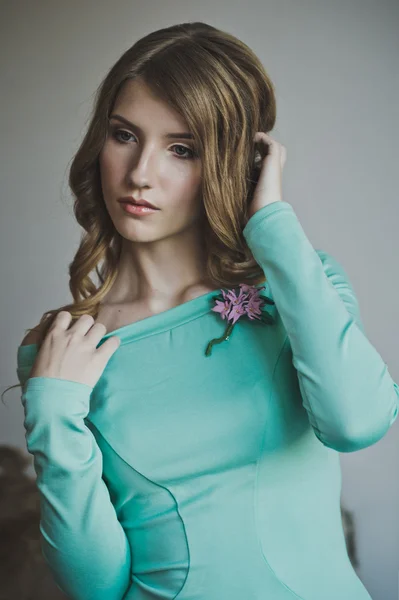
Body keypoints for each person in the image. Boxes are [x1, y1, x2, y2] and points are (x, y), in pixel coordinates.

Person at [11, 21, 399, 600]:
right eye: (124, 135)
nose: (141, 173)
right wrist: (53, 409)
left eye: (182, 148)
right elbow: (97, 587)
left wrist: (272, 226)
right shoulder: (65, 351)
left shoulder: (300, 287)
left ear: (233, 160)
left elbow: (357, 422)